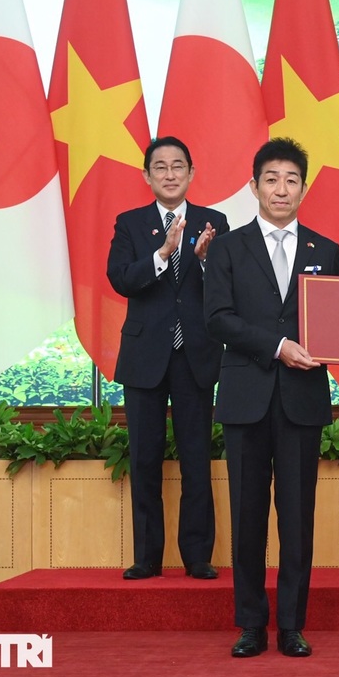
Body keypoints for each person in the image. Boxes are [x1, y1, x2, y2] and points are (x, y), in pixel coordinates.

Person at [203, 137, 339, 659]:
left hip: (303, 399)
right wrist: (277, 347)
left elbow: (333, 325)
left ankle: (293, 625)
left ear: (304, 187)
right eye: (271, 179)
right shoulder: (229, 248)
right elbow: (217, 319)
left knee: (298, 516)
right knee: (248, 515)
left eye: (292, 180)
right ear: (254, 186)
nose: (282, 189)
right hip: (246, 395)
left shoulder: (326, 249)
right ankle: (252, 624)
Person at [107, 135, 228, 581]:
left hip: (194, 354)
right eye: (161, 167)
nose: (170, 174)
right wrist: (163, 254)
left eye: (179, 166)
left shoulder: (215, 222)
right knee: (144, 457)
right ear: (147, 176)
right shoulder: (130, 224)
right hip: (145, 355)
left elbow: (227, 287)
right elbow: (120, 279)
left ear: (192, 173)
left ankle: (198, 555)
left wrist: (200, 261)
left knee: (197, 455)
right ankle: (147, 557)